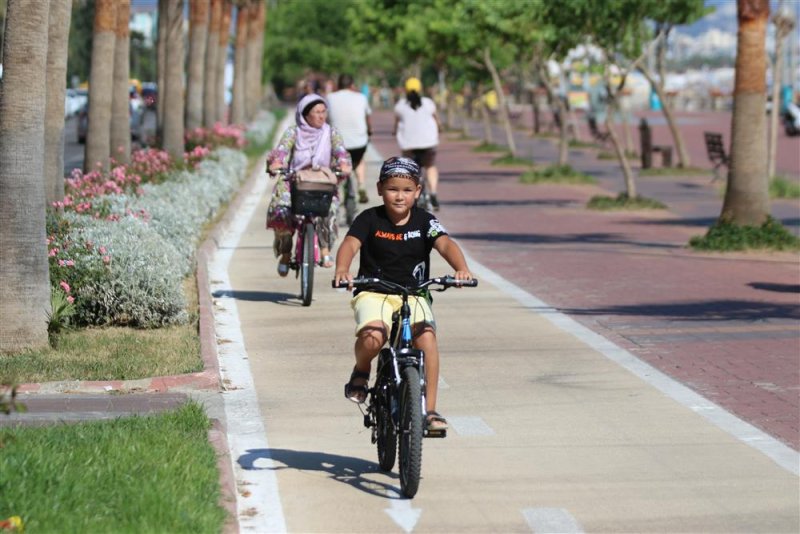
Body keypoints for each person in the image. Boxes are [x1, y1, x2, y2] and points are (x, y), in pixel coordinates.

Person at [333, 156, 473, 432]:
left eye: (407, 190)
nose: (399, 196)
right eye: (392, 189)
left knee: (427, 340)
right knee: (373, 338)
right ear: (379, 189)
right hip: (374, 292)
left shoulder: (425, 221)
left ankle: (429, 410)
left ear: (418, 191)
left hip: (415, 293)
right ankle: (361, 370)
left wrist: (461, 269)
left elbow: (445, 244)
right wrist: (342, 269)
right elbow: (350, 244)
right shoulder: (369, 218)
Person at [266, 93, 352, 275]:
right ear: (305, 115)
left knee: (330, 209)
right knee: (281, 209)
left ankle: (325, 250)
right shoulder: (293, 132)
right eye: (316, 112)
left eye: (324, 112)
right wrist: (276, 163)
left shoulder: (331, 132)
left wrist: (343, 164)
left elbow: (341, 152)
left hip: (321, 181)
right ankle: (286, 253)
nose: (321, 116)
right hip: (295, 180)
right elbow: (281, 151)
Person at [392, 77, 443, 211]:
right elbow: (436, 120)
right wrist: (440, 128)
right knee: (430, 166)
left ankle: (413, 196)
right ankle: (433, 194)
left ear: (405, 89)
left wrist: (394, 131)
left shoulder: (400, 106)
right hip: (428, 143)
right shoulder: (428, 103)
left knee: (410, 170)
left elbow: (396, 125)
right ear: (420, 88)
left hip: (408, 145)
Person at [327, 74, 373, 204]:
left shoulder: (330, 98)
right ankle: (361, 185)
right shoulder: (362, 98)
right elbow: (367, 117)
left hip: (338, 143)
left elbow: (327, 119)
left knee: (336, 163)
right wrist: (369, 131)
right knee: (359, 160)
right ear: (352, 85)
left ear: (338, 85)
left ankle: (339, 192)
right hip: (359, 142)